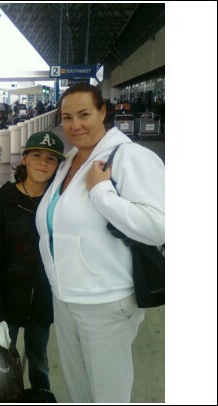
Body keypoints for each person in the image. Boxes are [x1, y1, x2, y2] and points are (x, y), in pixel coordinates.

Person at [35, 82, 165, 403]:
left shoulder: (130, 157)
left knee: (108, 395)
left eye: (84, 114)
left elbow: (159, 227)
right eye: (67, 117)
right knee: (79, 391)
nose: (75, 125)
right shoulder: (69, 160)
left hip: (105, 302)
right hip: (65, 298)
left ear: (103, 112)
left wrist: (101, 193)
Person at [0, 131, 66, 392]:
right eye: (37, 156)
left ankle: (40, 396)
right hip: (9, 303)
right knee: (4, 364)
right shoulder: (2, 202)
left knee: (39, 360)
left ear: (57, 167)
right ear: (24, 161)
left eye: (51, 159)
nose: (43, 163)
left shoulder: (59, 205)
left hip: (42, 302)